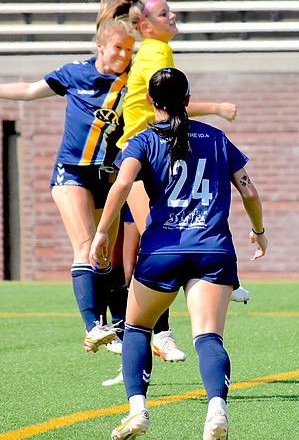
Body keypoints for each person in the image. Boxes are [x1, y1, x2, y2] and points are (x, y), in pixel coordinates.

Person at [89, 67, 267, 440]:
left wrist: (102, 232)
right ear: (188, 101)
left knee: (137, 326)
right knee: (208, 337)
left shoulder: (141, 140)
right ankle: (216, 409)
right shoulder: (217, 137)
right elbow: (248, 191)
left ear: (151, 101)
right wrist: (259, 232)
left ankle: (138, 410)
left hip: (163, 251)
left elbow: (121, 184)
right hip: (213, 250)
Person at [96, 0, 248, 385]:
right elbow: (167, 107)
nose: (173, 15)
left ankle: (158, 325)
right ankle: (159, 329)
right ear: (146, 25)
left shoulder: (152, 49)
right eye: (165, 13)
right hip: (143, 154)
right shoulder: (157, 52)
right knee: (157, 248)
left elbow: (163, 106)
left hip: (148, 149)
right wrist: (215, 106)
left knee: (157, 249)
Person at [0, 17, 135, 356]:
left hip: (106, 178)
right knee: (86, 246)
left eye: (129, 49)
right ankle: (93, 327)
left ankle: (119, 329)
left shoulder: (131, 80)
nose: (123, 55)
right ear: (100, 46)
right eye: (117, 48)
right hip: (71, 174)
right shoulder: (74, 74)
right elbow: (28, 91)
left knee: (105, 255)